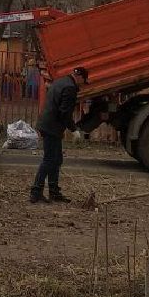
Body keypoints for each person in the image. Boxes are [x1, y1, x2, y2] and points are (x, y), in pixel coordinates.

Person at [30, 65, 88, 203]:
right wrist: (74, 130)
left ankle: (54, 191)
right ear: (79, 76)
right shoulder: (70, 88)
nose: (82, 84)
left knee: (56, 160)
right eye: (83, 80)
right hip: (52, 127)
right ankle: (36, 191)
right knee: (50, 160)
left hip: (48, 124)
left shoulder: (61, 81)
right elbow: (65, 113)